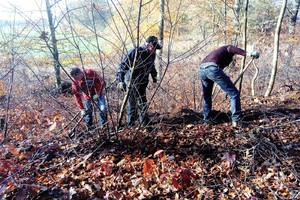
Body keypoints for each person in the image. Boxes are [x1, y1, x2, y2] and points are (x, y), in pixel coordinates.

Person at [199, 45, 259, 127]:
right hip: (212, 68)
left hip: (202, 70)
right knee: (234, 93)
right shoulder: (227, 48)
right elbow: (231, 48)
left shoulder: (216, 54)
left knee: (207, 96)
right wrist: (249, 54)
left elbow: (219, 68)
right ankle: (236, 120)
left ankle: (207, 119)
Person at [117, 36, 162, 127]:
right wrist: (120, 81)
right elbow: (122, 66)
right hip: (131, 82)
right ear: (148, 45)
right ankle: (130, 125)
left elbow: (151, 66)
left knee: (143, 103)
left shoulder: (152, 54)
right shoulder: (135, 51)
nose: (154, 51)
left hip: (143, 83)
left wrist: (154, 76)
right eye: (154, 48)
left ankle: (144, 123)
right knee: (132, 104)